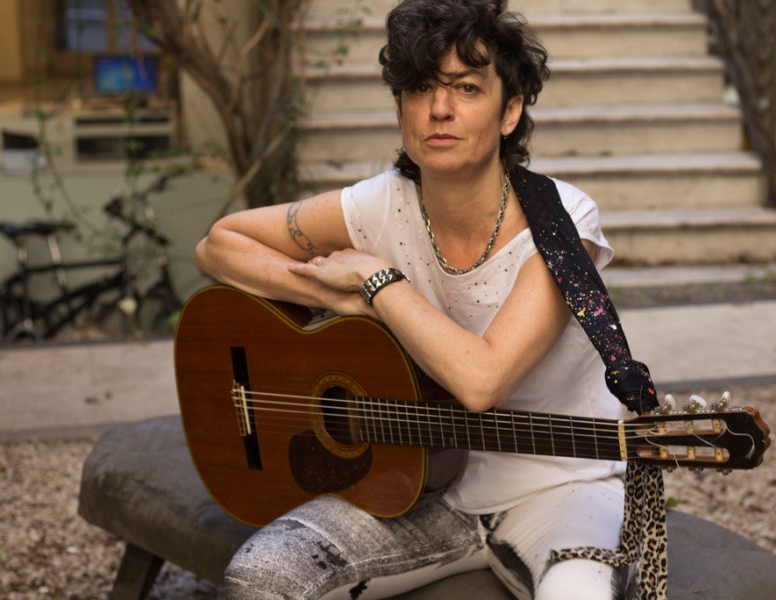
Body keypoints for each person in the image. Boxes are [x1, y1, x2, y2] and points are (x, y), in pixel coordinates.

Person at [194, 1, 637, 597]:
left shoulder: (564, 223)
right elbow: (219, 245)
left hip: (560, 486)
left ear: (510, 111)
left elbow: (482, 382)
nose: (440, 109)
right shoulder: (378, 204)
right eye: (421, 87)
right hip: (414, 481)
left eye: (467, 88)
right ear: (401, 107)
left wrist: (378, 281)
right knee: (259, 579)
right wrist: (338, 298)